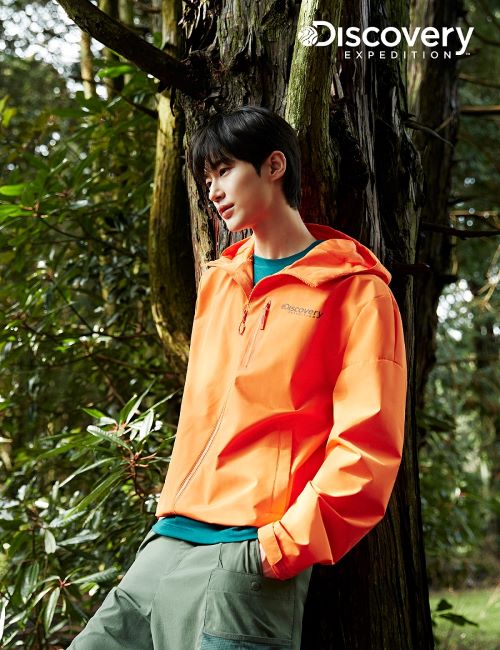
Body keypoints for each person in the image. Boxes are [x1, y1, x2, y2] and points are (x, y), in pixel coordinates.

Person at [69, 105, 407, 649]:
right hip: (167, 542)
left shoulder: (357, 293)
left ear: (274, 166)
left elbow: (367, 446)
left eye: (224, 170)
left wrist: (281, 546)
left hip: (249, 553)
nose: (213, 191)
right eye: (207, 178)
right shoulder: (220, 283)